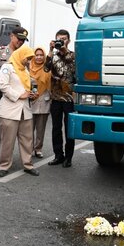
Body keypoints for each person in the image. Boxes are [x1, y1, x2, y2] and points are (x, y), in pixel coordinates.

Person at [0, 44, 39, 177]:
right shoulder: (7, 67)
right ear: (21, 55)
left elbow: (25, 88)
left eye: (30, 58)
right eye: (27, 57)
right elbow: (3, 86)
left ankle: (28, 164)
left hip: (25, 110)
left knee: (27, 140)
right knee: (7, 141)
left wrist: (31, 94)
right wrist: (20, 95)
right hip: (9, 110)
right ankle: (3, 166)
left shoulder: (25, 70)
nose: (28, 60)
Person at [0, 27, 27, 163]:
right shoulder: (0, 52)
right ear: (11, 36)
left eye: (23, 40)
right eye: (18, 38)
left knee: (14, 125)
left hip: (17, 92)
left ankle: (8, 154)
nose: (20, 42)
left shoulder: (24, 54)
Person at [45, 29, 76, 168]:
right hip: (56, 97)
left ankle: (68, 157)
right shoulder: (53, 56)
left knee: (69, 129)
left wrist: (64, 51)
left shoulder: (74, 55)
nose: (61, 41)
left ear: (68, 40)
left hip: (69, 98)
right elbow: (46, 69)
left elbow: (74, 69)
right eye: (59, 39)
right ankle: (58, 155)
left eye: (64, 39)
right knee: (56, 128)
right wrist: (50, 50)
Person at [29, 46, 51, 158]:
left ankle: (38, 149)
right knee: (28, 129)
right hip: (31, 100)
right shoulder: (28, 67)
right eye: (36, 55)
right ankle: (28, 149)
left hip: (44, 99)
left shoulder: (47, 68)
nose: (38, 57)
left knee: (41, 129)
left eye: (41, 55)